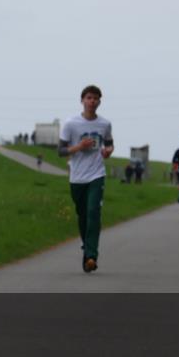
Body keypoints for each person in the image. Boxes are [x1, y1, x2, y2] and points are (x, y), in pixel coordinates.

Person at [58, 85, 114, 273]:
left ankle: (91, 256)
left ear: (99, 102)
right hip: (77, 177)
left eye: (96, 98)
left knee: (93, 212)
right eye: (89, 98)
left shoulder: (104, 124)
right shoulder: (71, 124)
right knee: (83, 215)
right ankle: (86, 248)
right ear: (82, 100)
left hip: (97, 174)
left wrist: (108, 152)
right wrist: (79, 146)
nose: (92, 101)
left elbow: (109, 143)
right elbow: (61, 151)